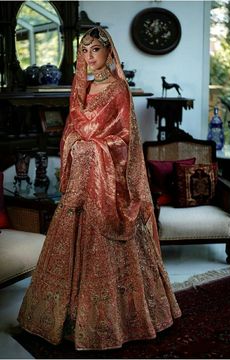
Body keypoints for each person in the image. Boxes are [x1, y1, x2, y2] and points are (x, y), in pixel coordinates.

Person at [18, 27, 181, 351]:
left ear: (109, 51)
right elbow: (71, 132)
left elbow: (125, 140)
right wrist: (78, 143)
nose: (89, 57)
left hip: (109, 185)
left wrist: (95, 148)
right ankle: (63, 321)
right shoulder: (84, 90)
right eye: (84, 51)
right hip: (82, 181)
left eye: (95, 49)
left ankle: (122, 322)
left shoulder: (119, 89)